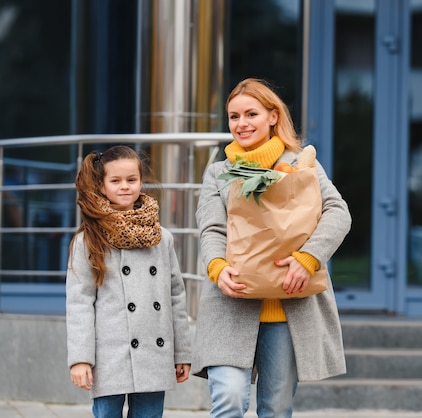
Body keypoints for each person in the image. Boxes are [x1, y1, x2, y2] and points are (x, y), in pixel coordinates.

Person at [192, 78, 352, 418]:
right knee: (230, 400)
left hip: (287, 306)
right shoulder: (219, 172)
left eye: (251, 114)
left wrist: (308, 258)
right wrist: (217, 267)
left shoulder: (301, 165)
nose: (241, 124)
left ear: (273, 117)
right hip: (231, 302)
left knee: (276, 409)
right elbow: (211, 227)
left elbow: (338, 213)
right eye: (234, 117)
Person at [65, 145, 192, 418]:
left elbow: (175, 297)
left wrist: (182, 352)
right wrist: (80, 358)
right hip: (109, 352)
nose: (125, 187)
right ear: (101, 186)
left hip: (154, 351)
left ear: (141, 182)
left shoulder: (162, 238)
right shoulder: (88, 240)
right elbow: (80, 303)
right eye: (116, 181)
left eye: (131, 180)